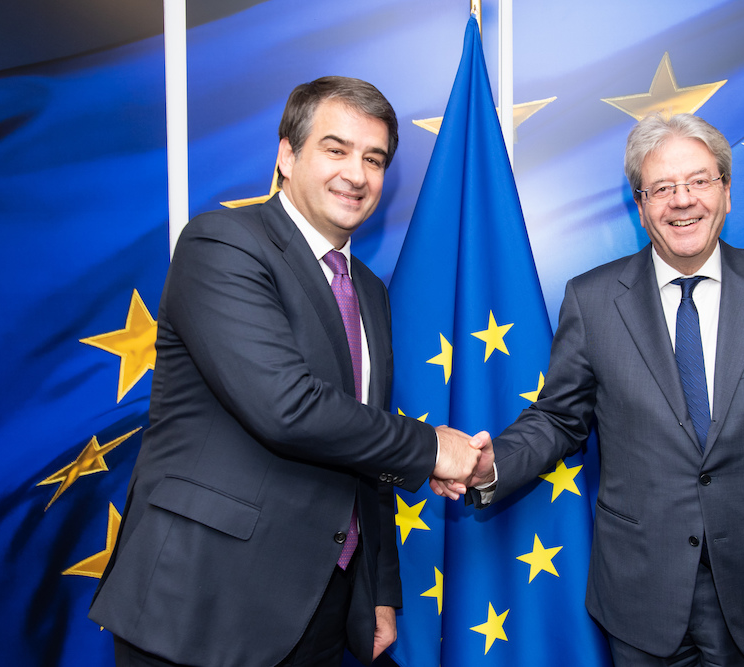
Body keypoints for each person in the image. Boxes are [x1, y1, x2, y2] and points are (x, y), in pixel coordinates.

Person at [437, 112, 744, 666]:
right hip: (639, 595)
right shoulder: (591, 300)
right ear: (640, 206)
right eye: (662, 188)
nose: (682, 201)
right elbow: (560, 419)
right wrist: (490, 466)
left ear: (726, 192)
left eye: (699, 181)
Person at [90, 76, 481, 667]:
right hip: (201, 600)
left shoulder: (370, 292)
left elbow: (363, 441)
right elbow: (287, 408)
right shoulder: (222, 244)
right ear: (286, 155)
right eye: (336, 149)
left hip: (323, 603)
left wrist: (377, 592)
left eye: (374, 159)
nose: (356, 174)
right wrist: (433, 449)